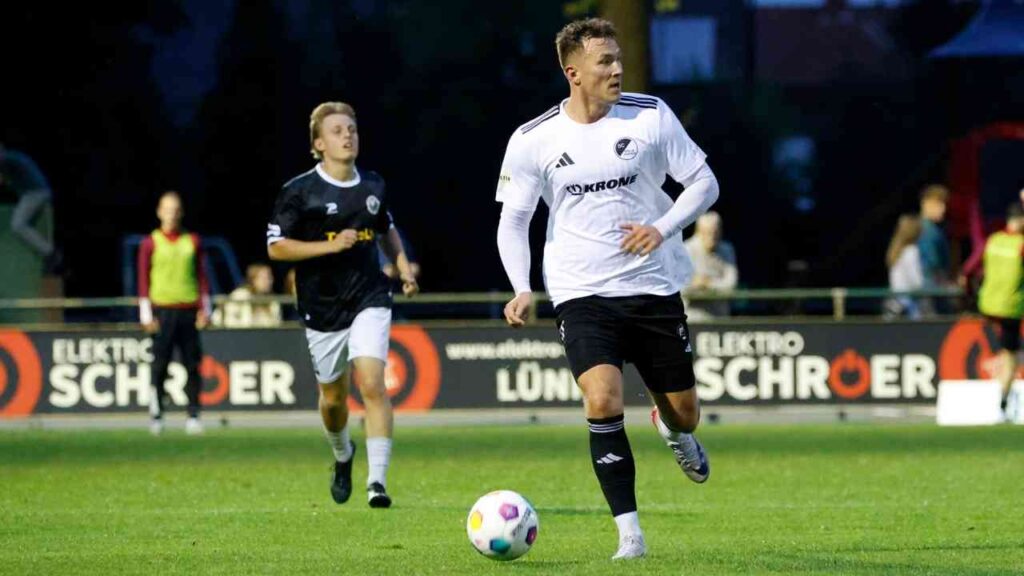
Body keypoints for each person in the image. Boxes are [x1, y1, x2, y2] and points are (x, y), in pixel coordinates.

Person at [495, 18, 719, 560]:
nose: (617, 68)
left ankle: (674, 432)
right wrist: (521, 287)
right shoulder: (533, 139)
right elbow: (514, 220)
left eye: (618, 58)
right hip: (580, 290)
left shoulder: (650, 115)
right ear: (572, 72)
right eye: (604, 62)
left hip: (652, 285)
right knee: (601, 399)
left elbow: (705, 183)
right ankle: (630, 535)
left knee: (684, 411)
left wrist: (661, 229)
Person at [267, 101, 419, 509]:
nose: (347, 135)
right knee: (333, 399)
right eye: (336, 130)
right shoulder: (298, 192)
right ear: (318, 143)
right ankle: (342, 454)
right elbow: (277, 248)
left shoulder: (373, 184)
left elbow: (386, 228)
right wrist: (329, 245)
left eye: (351, 128)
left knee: (371, 382)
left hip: (370, 295)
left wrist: (401, 267)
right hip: (322, 306)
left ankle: (377, 482)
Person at [137, 191, 211, 435]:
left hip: (188, 310)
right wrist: (146, 315)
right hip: (162, 311)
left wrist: (205, 309)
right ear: (159, 212)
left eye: (176, 209)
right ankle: (156, 415)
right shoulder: (150, 242)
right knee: (159, 366)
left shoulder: (193, 241)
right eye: (167, 209)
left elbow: (201, 277)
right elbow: (143, 280)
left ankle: (193, 415)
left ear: (182, 212)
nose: (172, 214)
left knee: (192, 365)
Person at [962, 202, 1024, 418]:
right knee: (1010, 357)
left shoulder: (994, 240)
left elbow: (969, 270)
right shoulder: (1021, 244)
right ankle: (1003, 403)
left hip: (987, 305)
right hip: (1011, 308)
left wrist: (969, 298)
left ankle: (1003, 398)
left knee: (1004, 353)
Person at [0, 142, 60, 272]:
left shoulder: (7, 159)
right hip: (35, 192)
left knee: (18, 225)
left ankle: (50, 253)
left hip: (35, 193)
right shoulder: (12, 158)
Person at [683, 211, 738, 319]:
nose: (712, 236)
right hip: (693, 319)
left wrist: (707, 283)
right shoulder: (686, 249)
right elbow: (681, 287)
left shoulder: (727, 250)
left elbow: (731, 285)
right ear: (698, 232)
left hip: (719, 318)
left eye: (715, 232)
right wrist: (695, 285)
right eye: (706, 232)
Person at [212, 263, 282, 328]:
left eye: (270, 278)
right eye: (264, 278)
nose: (269, 281)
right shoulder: (240, 296)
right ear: (253, 280)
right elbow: (219, 317)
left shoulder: (272, 301)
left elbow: (276, 325)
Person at [884, 215, 927, 319]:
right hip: (907, 303)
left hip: (895, 300)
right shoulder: (911, 251)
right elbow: (917, 281)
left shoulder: (896, 251)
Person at [918, 184, 952, 313]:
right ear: (925, 204)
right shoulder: (926, 231)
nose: (943, 209)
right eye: (938, 204)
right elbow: (933, 266)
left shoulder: (936, 231)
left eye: (944, 204)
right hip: (929, 296)